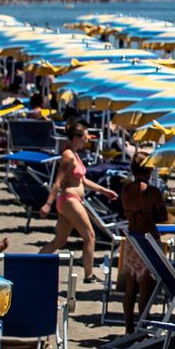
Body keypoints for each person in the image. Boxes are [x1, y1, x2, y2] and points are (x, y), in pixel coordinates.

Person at [40, 120, 118, 281]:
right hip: (70, 200)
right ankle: (89, 275)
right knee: (90, 236)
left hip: (70, 200)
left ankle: (34, 263)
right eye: (85, 136)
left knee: (60, 241)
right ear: (76, 137)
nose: (87, 139)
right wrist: (48, 204)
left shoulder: (75, 154)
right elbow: (58, 182)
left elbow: (83, 181)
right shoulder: (68, 156)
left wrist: (105, 191)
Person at [119, 158, 169, 333]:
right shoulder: (152, 192)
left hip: (133, 239)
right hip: (148, 240)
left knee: (131, 286)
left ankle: (129, 326)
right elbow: (163, 217)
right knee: (146, 285)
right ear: (149, 171)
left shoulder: (125, 190)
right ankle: (142, 324)